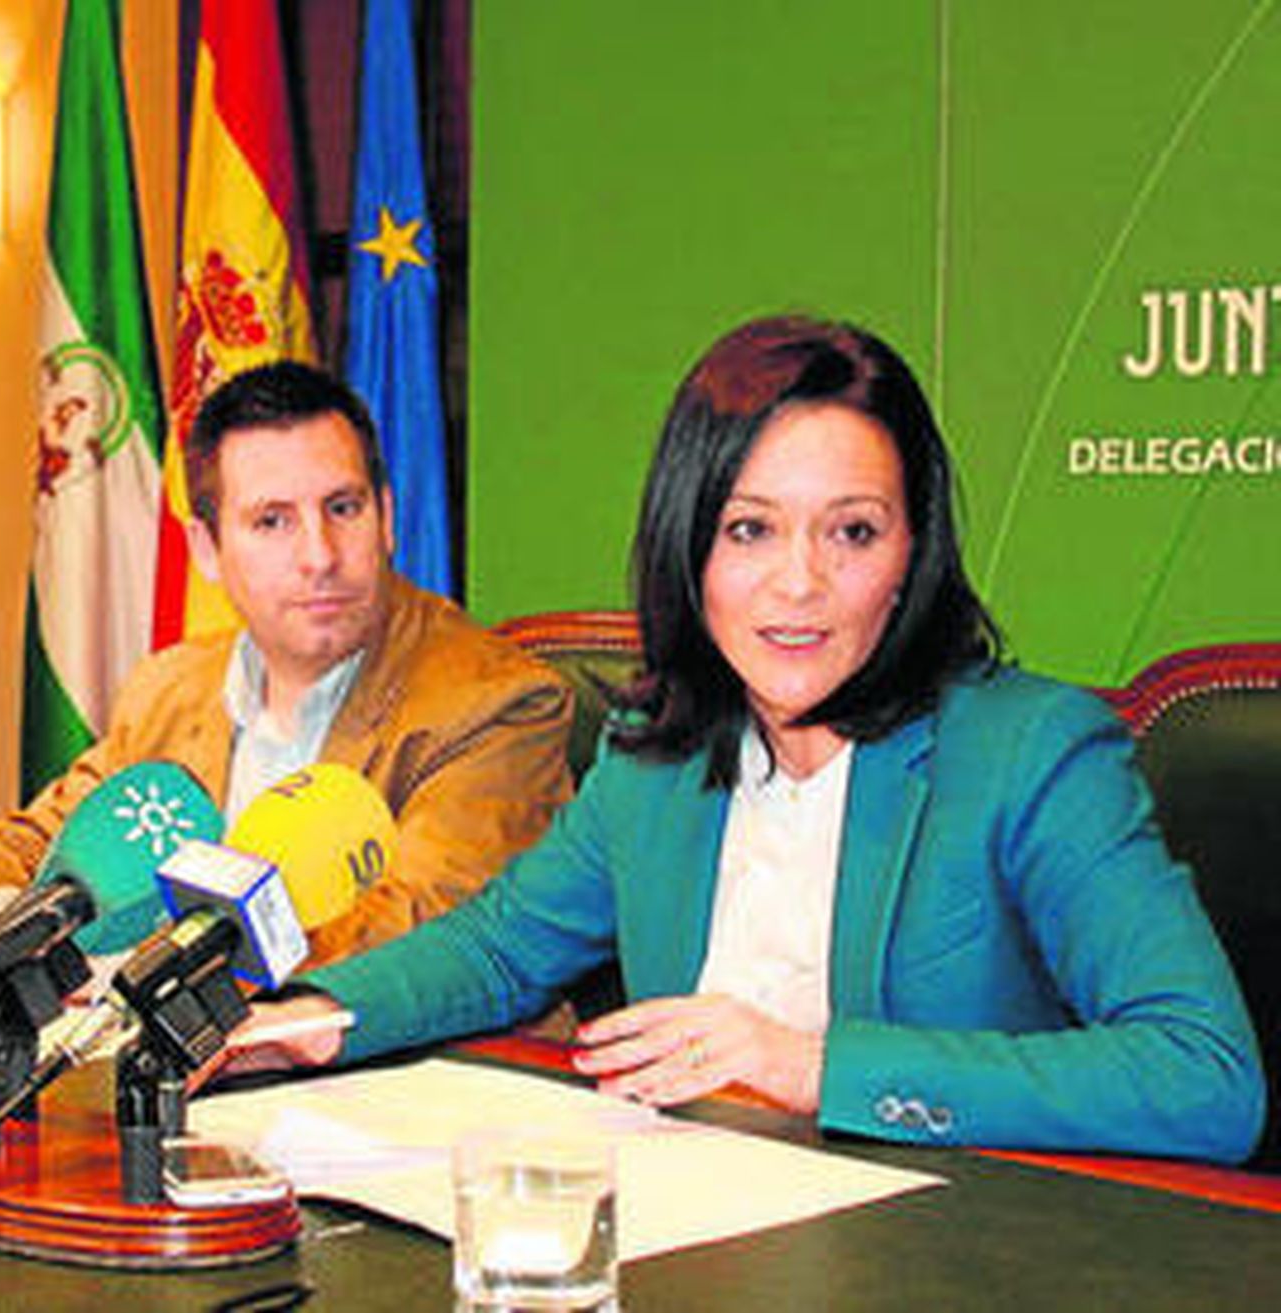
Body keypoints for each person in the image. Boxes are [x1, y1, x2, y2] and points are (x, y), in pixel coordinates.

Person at [208, 316, 1266, 1164]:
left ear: (912, 549)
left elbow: (1206, 1077)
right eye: (750, 529)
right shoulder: (655, 755)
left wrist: (813, 1065)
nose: (798, 583)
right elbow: (498, 949)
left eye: (852, 531)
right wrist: (309, 1018)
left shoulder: (1031, 753)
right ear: (692, 547)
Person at [0, 361, 574, 967]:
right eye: (273, 521)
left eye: (343, 508)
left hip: (395, 1061)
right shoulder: (171, 689)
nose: (320, 555)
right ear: (207, 550)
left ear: (387, 517)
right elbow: (52, 841)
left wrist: (100, 952)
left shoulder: (497, 704)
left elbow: (416, 933)